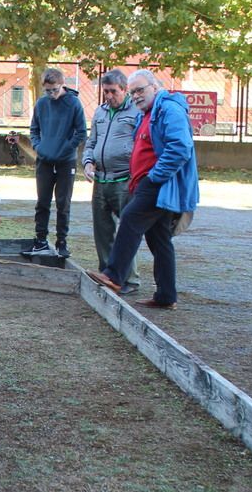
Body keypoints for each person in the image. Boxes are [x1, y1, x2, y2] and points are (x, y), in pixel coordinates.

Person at [92, 70, 199, 310]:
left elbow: (180, 148)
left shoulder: (169, 110)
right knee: (158, 239)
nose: (136, 96)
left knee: (130, 218)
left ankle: (114, 275)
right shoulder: (148, 113)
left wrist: (153, 178)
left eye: (140, 90)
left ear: (155, 87)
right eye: (133, 92)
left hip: (157, 184)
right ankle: (165, 296)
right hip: (145, 181)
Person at [82, 69, 141, 289]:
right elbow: (91, 143)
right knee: (102, 231)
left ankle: (129, 279)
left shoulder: (136, 112)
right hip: (101, 180)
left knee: (126, 231)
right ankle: (107, 276)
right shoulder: (100, 112)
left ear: (124, 90)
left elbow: (140, 145)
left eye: (113, 91)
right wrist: (88, 162)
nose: (108, 96)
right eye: (105, 91)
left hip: (124, 179)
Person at [24, 67, 86, 259]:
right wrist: (38, 147)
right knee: (42, 201)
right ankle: (41, 239)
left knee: (63, 202)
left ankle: (62, 241)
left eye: (55, 90)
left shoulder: (73, 104)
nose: (51, 94)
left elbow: (81, 132)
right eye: (47, 91)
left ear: (62, 85)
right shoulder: (41, 104)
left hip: (66, 161)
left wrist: (67, 148)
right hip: (44, 159)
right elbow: (34, 130)